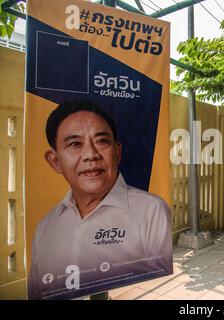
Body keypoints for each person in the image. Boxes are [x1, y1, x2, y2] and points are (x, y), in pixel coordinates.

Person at [28, 101, 173, 300]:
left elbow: (161, 286)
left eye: (102, 141)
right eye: (75, 144)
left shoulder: (151, 211)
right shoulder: (45, 227)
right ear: (55, 161)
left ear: (118, 151)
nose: (91, 155)